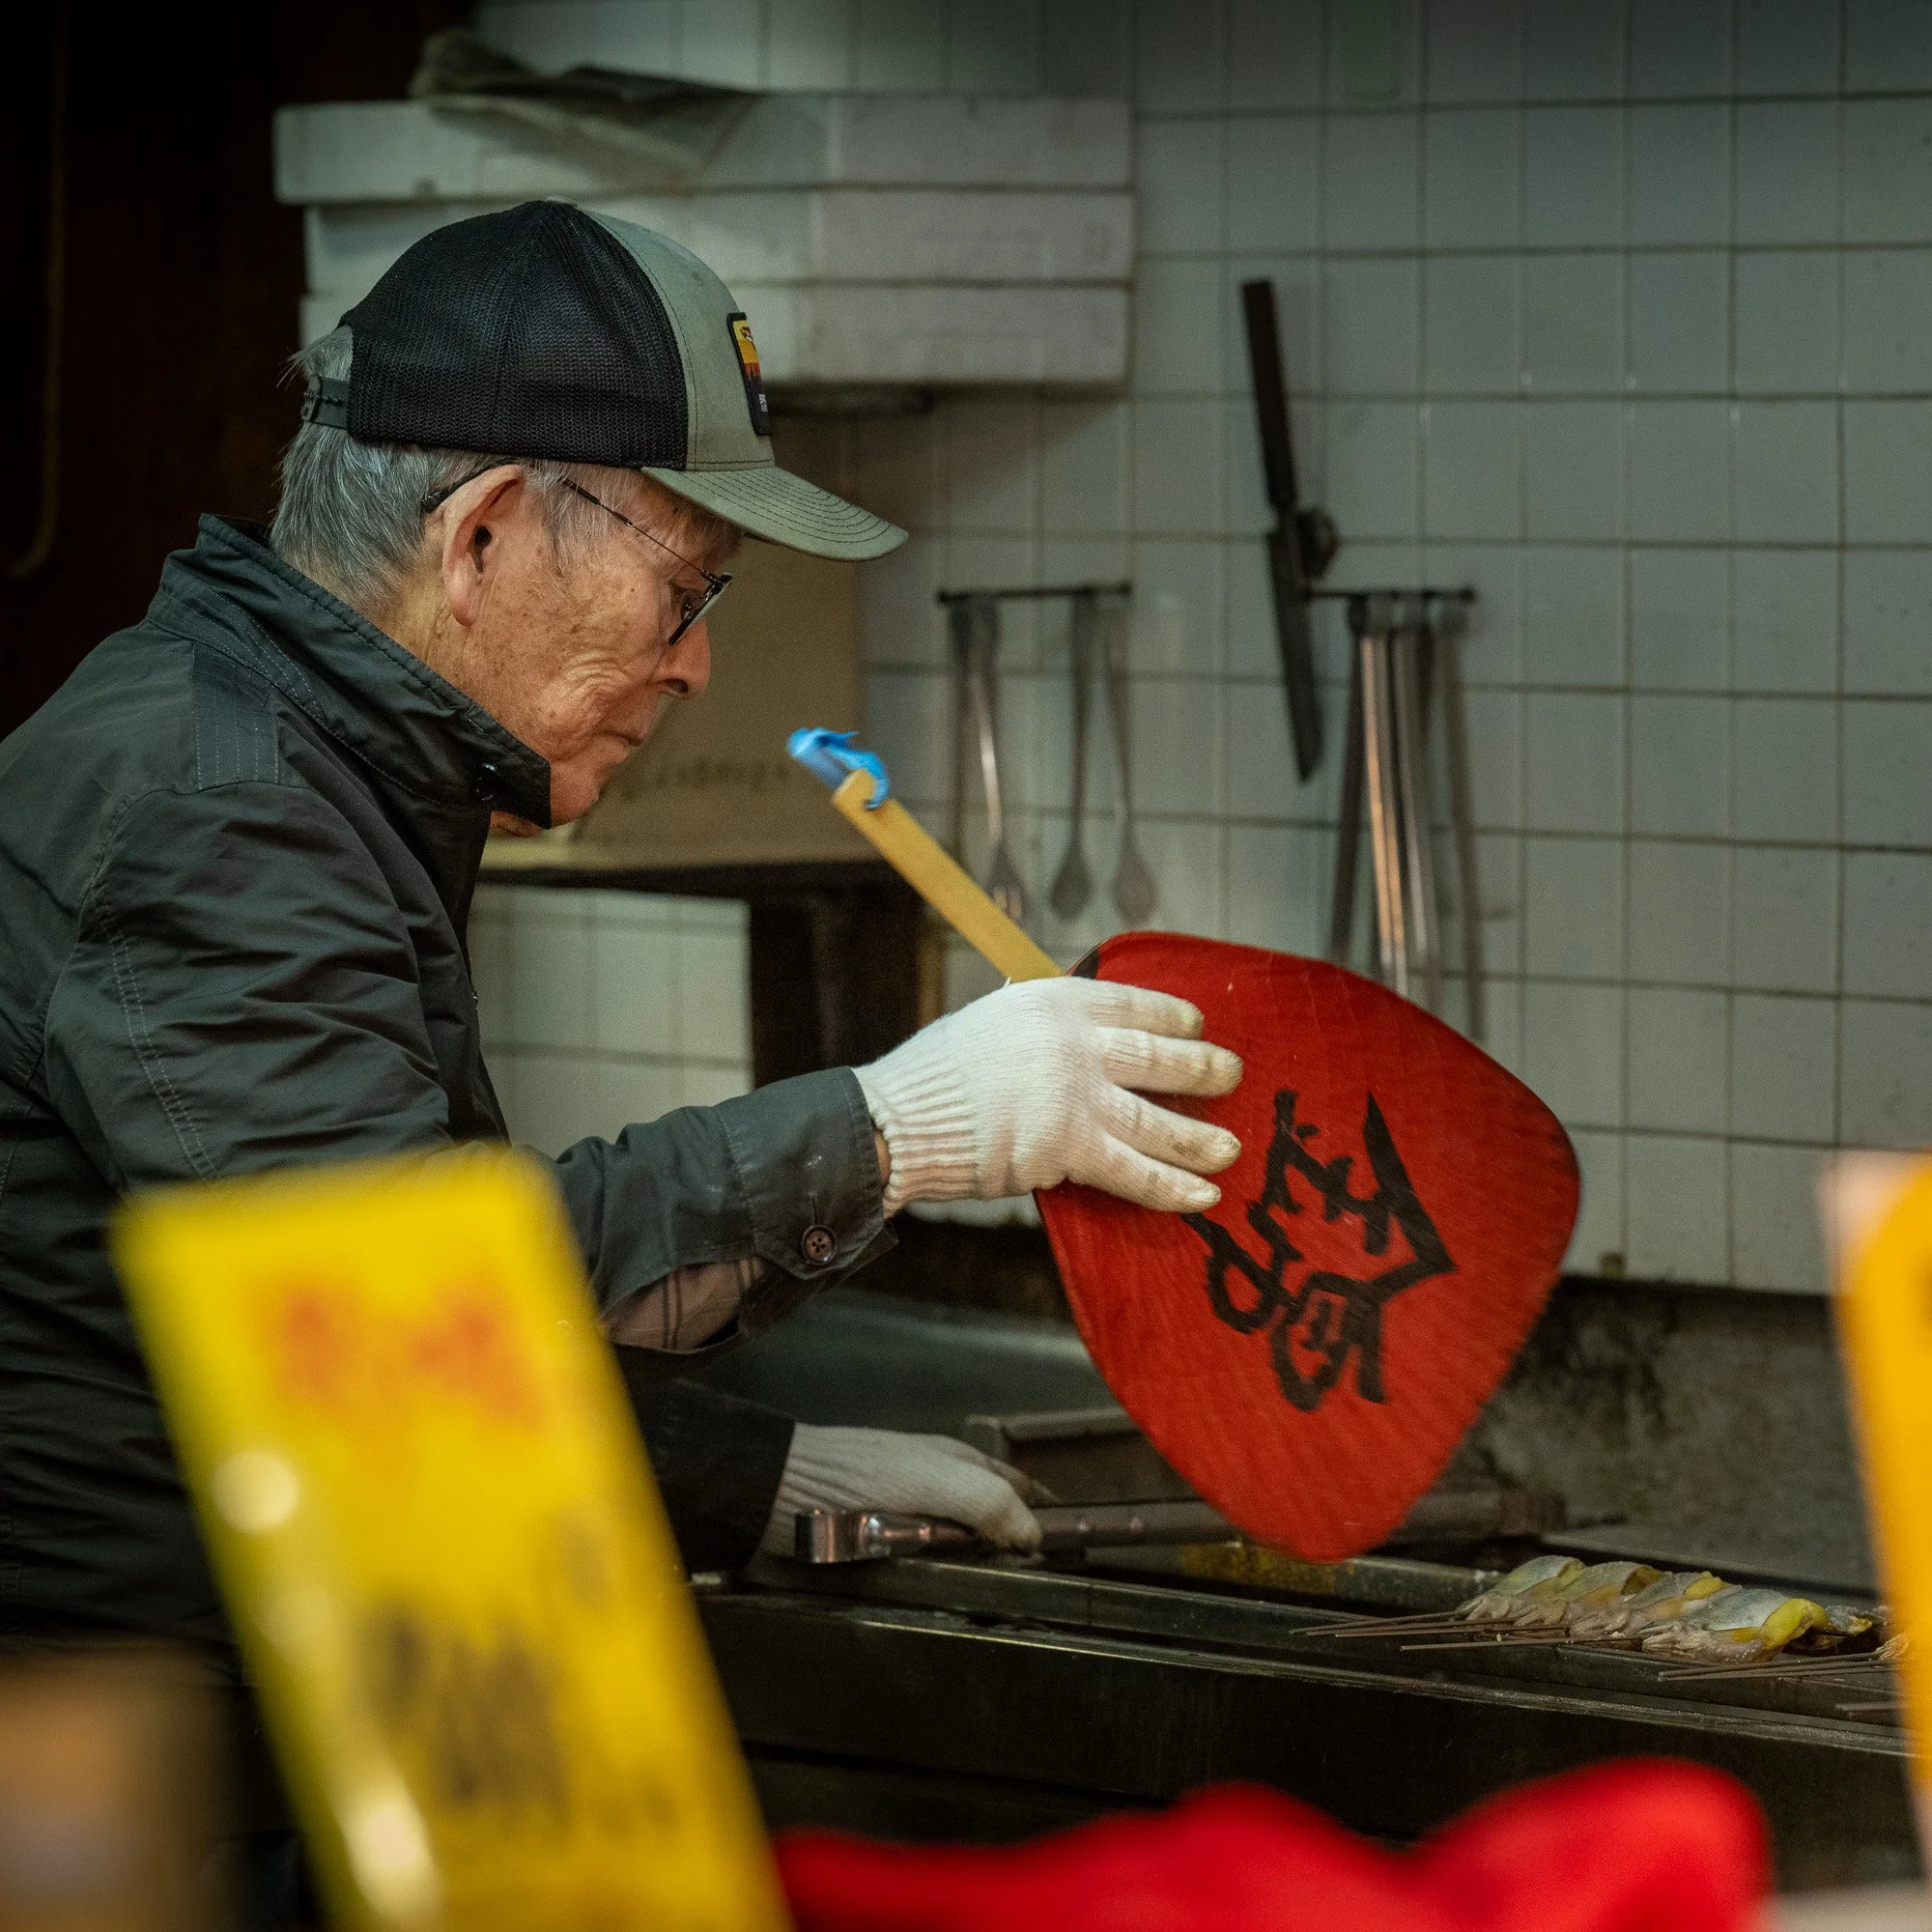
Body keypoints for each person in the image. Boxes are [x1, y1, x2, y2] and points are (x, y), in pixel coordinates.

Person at [0, 201, 1240, 1667]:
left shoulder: (278, 756)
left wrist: (744, 1479)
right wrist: (894, 1129)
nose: (699, 664)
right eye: (683, 592)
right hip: (126, 1773)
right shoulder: (220, 811)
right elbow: (412, 1312)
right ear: (483, 537)